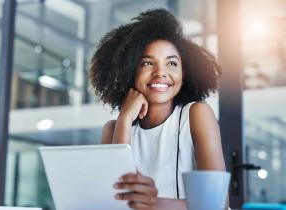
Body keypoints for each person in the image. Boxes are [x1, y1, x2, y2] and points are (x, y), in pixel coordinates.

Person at [89, 9, 226, 210]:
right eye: (147, 63)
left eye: (172, 63)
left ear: (184, 73)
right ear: (129, 70)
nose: (161, 72)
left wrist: (155, 203)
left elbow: (218, 204)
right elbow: (114, 203)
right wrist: (125, 119)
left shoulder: (196, 114)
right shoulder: (113, 128)